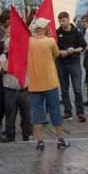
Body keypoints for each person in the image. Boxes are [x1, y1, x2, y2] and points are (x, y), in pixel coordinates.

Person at [27, 17, 69, 151]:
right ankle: (60, 139)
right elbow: (56, 54)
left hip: (34, 82)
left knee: (37, 113)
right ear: (43, 29)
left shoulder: (29, 41)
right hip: (50, 81)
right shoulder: (50, 41)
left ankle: (39, 141)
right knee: (55, 111)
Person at [1, 34, 33, 143]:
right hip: (10, 90)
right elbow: (4, 68)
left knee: (26, 116)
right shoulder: (3, 57)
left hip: (24, 90)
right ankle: (10, 137)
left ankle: (27, 135)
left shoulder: (25, 56)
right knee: (10, 116)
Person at [56, 11, 86, 122]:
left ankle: (80, 112)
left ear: (68, 20)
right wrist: (61, 52)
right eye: (60, 21)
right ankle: (67, 111)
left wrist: (73, 50)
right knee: (64, 89)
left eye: (63, 21)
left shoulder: (76, 32)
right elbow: (54, 49)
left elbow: (82, 47)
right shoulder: (58, 32)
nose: (61, 23)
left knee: (77, 89)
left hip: (74, 62)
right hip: (62, 63)